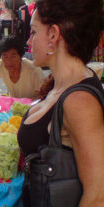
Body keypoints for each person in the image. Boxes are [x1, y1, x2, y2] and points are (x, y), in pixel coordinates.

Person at [17, 0, 104, 206]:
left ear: (54, 35)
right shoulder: (61, 85)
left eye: (34, 32)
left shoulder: (80, 102)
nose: (29, 42)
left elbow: (98, 196)